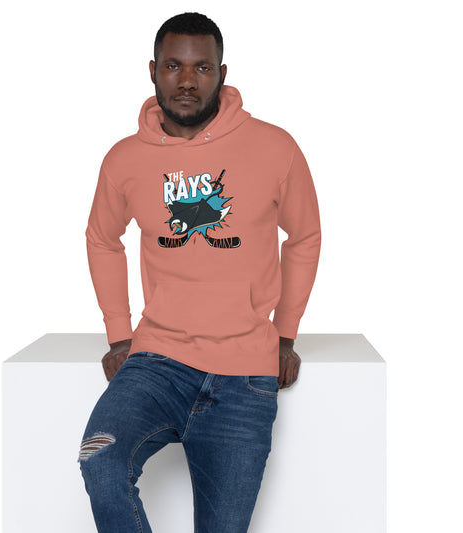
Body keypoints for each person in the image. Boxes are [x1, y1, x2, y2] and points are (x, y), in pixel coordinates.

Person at [78, 12, 321, 533]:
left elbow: (304, 236)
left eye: (202, 68)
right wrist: (119, 334)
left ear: (222, 73)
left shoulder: (275, 147)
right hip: (156, 363)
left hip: (244, 375)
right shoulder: (124, 159)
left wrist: (285, 335)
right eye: (173, 66)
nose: (187, 81)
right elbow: (102, 238)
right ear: (153, 71)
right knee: (100, 458)